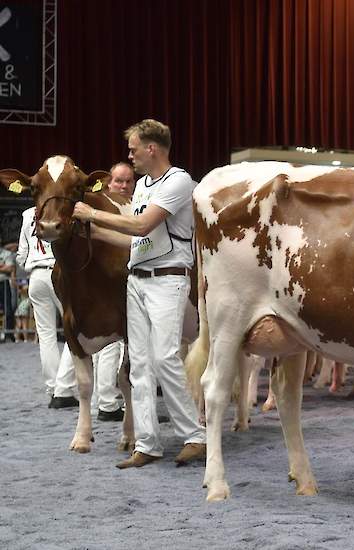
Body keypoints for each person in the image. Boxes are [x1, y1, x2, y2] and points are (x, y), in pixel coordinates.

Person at [72, 119, 205, 468]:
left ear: (152, 148)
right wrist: (90, 232)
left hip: (168, 279)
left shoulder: (179, 181)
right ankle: (147, 443)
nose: (129, 155)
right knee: (139, 366)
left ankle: (194, 435)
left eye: (133, 148)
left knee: (164, 358)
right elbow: (135, 241)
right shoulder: (144, 185)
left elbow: (142, 224)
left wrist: (94, 214)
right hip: (138, 278)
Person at [16, 207, 80, 408]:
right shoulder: (63, 210)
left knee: (46, 336)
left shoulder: (27, 214)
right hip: (59, 272)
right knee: (76, 330)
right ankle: (63, 387)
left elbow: (21, 254)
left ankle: (53, 387)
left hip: (36, 276)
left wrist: (32, 265)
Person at [90, 161, 137, 422]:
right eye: (119, 181)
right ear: (108, 182)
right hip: (107, 281)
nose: (124, 186)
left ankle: (108, 398)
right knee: (109, 343)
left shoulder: (137, 204)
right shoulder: (101, 207)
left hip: (130, 278)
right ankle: (107, 402)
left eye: (129, 180)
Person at [0, 240, 16, 343]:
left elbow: (10, 268)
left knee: (8, 310)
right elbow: (5, 267)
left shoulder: (7, 254)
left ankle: (9, 335)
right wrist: (2, 267)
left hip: (3, 284)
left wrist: (4, 268)